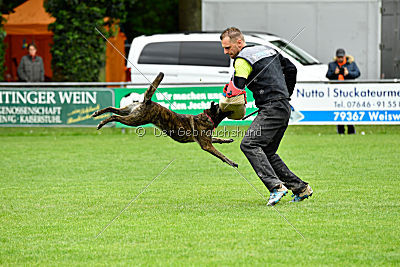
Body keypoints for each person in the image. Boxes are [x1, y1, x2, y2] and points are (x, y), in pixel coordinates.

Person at [220, 27, 313, 206]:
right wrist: (285, 94)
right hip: (283, 107)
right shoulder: (268, 50)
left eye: (228, 48)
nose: (226, 52)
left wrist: (228, 97)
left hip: (271, 108)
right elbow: (292, 69)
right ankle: (300, 188)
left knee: (249, 144)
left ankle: (276, 187)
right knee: (267, 151)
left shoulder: (242, 59)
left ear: (239, 42)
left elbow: (238, 87)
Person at [326, 48, 360, 134]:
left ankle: (351, 130)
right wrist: (335, 73)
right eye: (339, 57)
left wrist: (348, 73)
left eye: (341, 57)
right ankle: (340, 131)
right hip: (337, 91)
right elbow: (328, 75)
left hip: (348, 91)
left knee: (349, 110)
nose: (340, 59)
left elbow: (357, 73)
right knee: (339, 110)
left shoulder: (351, 64)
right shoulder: (332, 65)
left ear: (345, 56)